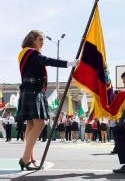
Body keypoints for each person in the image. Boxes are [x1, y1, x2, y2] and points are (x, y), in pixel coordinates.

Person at [16, 30, 77, 170]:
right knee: (41, 123)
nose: (42, 43)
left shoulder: (25, 54)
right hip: (33, 90)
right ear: (32, 39)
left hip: (30, 89)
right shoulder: (31, 53)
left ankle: (30, 159)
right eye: (40, 39)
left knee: (31, 125)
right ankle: (25, 159)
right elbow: (47, 60)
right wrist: (69, 63)